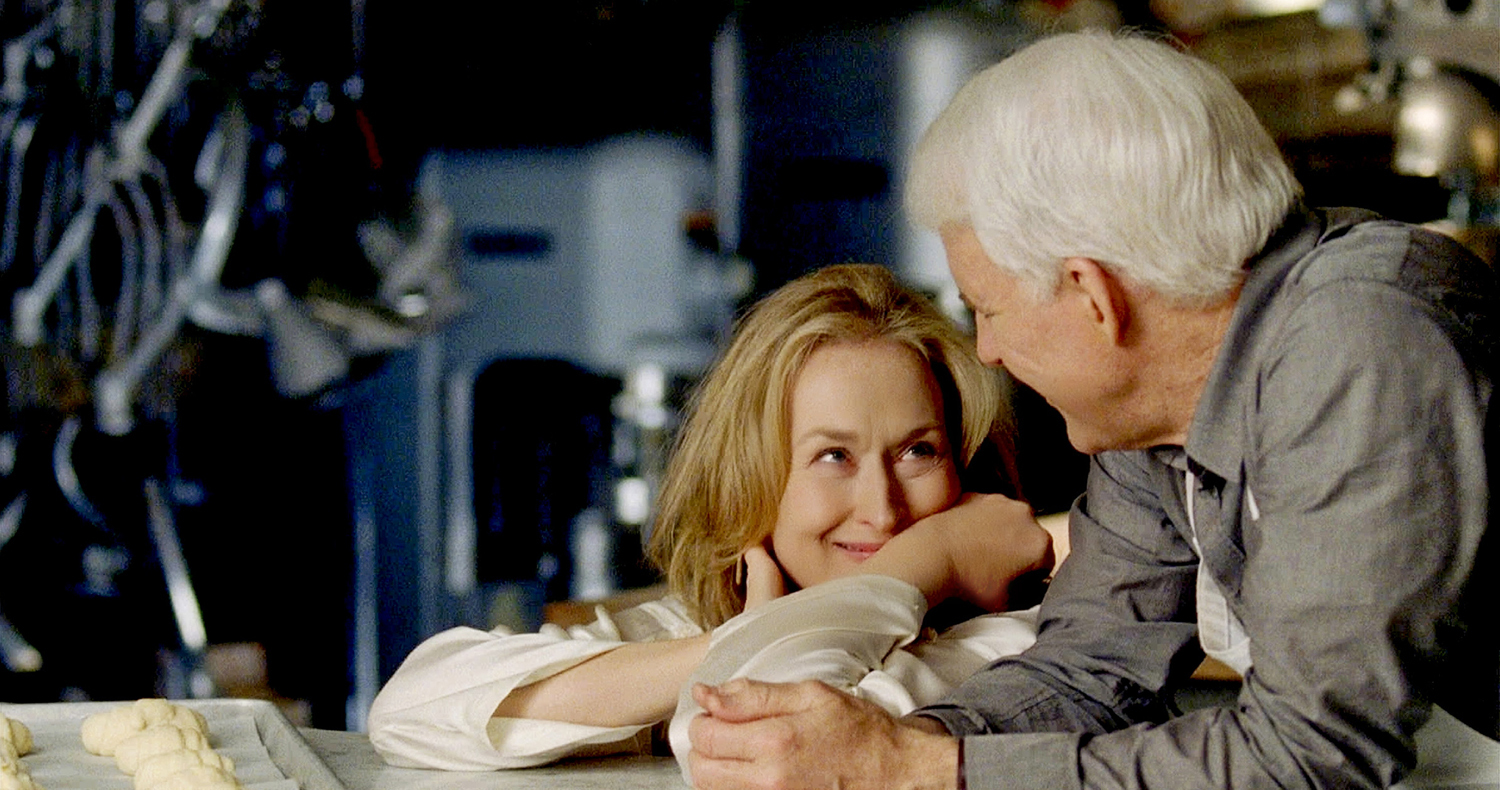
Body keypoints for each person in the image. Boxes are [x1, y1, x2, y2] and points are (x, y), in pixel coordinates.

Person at [683, 30, 1500, 790]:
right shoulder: (1157, 407)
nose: (987, 351)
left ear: (1092, 294)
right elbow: (1090, 670)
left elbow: (1311, 753)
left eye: (988, 309)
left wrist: (922, 769)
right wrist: (885, 746)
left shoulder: (1359, 341)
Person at [364, 263, 1057, 772]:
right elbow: (411, 710)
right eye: (833, 456)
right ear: (753, 477)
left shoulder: (1012, 648)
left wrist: (927, 564)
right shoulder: (724, 619)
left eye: (918, 451)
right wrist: (730, 641)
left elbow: (762, 743)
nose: (882, 509)